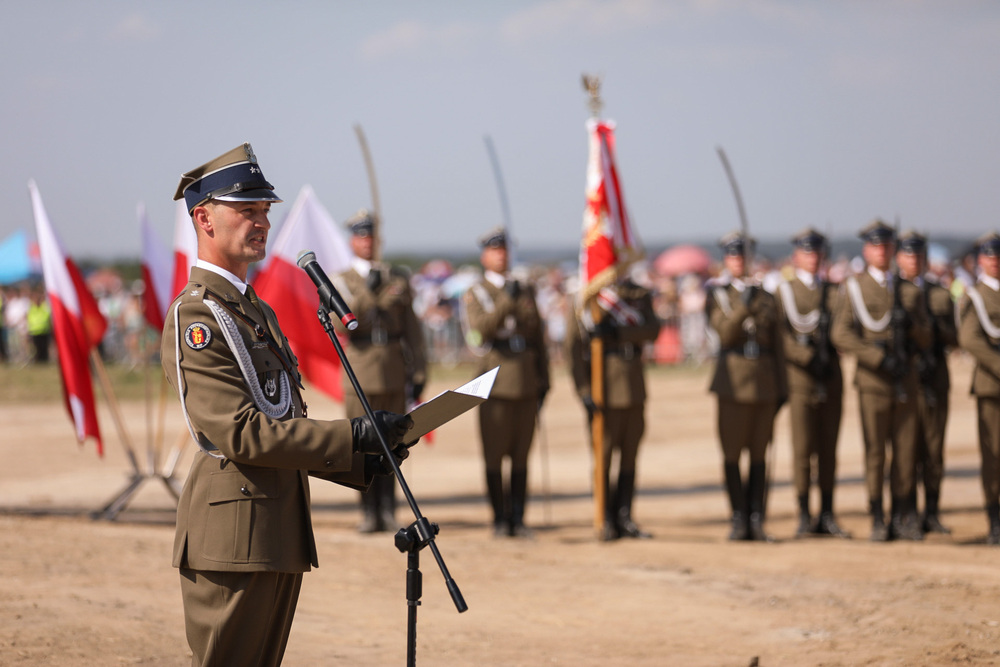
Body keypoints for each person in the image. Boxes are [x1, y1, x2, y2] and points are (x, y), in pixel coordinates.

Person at [162, 142, 416, 666]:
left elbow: (284, 420)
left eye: (264, 211)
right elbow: (240, 433)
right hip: (233, 535)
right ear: (204, 218)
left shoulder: (255, 309)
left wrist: (363, 456)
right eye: (246, 210)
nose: (260, 222)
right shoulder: (199, 318)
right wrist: (352, 436)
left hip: (274, 525)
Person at [831, 219, 931, 542]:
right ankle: (877, 516)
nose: (882, 251)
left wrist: (912, 325)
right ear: (866, 249)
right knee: (876, 453)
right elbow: (841, 333)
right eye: (876, 246)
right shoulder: (855, 287)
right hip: (873, 382)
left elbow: (928, 337)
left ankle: (904, 515)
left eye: (887, 246)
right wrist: (875, 357)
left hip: (906, 380)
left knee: (905, 453)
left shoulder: (907, 289)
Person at [334, 209, 427, 533]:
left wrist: (419, 371)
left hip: (392, 367)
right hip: (360, 369)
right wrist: (367, 292)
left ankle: (388, 509)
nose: (367, 241)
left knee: (392, 441)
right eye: (361, 236)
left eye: (371, 236)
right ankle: (368, 511)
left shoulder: (396, 279)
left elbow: (412, 329)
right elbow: (339, 325)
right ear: (352, 241)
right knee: (362, 442)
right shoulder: (342, 281)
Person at [461, 227, 550, 538]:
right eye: (495, 249)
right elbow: (481, 331)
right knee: (495, 454)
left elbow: (538, 336)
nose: (501, 254)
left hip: (525, 378)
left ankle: (519, 517)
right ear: (485, 255)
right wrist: (506, 304)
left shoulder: (524, 289)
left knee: (522, 453)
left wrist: (545, 379)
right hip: (495, 381)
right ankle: (499, 518)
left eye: (504, 249)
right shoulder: (477, 292)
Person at [566, 272, 661, 540]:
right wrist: (583, 390)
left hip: (633, 386)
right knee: (603, 457)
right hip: (602, 387)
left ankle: (625, 516)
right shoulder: (587, 297)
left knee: (630, 455)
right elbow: (572, 348)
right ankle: (605, 517)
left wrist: (619, 332)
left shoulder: (638, 294)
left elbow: (653, 329)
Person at [706, 231, 787, 542]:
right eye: (733, 255)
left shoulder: (766, 296)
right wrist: (743, 307)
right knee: (731, 453)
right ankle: (738, 518)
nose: (738, 260)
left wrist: (783, 388)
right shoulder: (718, 295)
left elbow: (777, 344)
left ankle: (757, 518)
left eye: (743, 255)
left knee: (759, 455)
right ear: (726, 259)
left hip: (765, 382)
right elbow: (724, 334)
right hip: (732, 384)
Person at [775, 228, 849, 538]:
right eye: (807, 253)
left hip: (830, 376)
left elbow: (844, 326)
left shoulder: (835, 291)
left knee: (828, 449)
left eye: (817, 253)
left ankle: (828, 513)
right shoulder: (786, 292)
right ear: (796, 257)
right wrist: (805, 357)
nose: (812, 258)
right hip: (801, 379)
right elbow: (781, 336)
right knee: (803, 449)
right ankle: (804, 514)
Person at [897, 230, 956, 534]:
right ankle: (906, 511)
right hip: (905, 379)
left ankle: (931, 511)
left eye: (919, 255)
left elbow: (953, 336)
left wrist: (934, 327)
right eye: (908, 254)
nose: (914, 260)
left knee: (933, 449)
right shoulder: (895, 292)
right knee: (907, 450)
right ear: (899, 258)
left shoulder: (939, 293)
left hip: (935, 378)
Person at [956, 231, 1000, 545]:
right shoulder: (975, 295)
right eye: (989, 256)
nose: (994, 261)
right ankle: (994, 517)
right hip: (991, 384)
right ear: (979, 261)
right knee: (994, 453)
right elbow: (969, 338)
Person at [26, 287, 52, 363]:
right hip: (34, 330)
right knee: (37, 348)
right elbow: (29, 317)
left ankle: (45, 361)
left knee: (44, 347)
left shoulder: (45, 306)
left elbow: (48, 315)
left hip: (44, 329)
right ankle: (38, 361)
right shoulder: (31, 307)